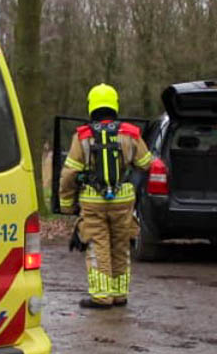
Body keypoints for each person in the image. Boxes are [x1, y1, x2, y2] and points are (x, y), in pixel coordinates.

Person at [57, 83, 155, 310]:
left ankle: (101, 297)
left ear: (91, 105)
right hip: (123, 200)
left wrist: (66, 204)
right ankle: (119, 295)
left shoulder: (82, 136)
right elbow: (146, 163)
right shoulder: (130, 133)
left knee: (97, 245)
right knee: (121, 245)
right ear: (114, 104)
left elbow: (69, 173)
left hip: (93, 201)